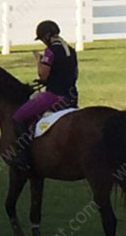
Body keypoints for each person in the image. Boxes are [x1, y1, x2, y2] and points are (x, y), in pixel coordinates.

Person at [10, 20, 79, 170]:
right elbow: (74, 74)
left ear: (47, 36)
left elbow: (43, 76)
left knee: (18, 117)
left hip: (54, 96)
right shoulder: (71, 50)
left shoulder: (50, 52)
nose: (42, 41)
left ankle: (24, 158)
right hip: (71, 96)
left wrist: (39, 61)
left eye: (42, 38)